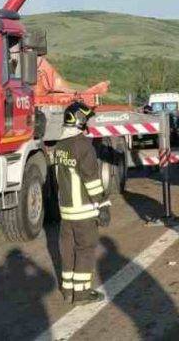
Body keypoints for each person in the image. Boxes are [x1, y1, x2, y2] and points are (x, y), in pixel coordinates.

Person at [52, 100, 111, 304]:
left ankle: (68, 289)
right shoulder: (83, 145)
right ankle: (83, 293)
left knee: (67, 248)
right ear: (80, 120)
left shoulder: (60, 145)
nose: (88, 124)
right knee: (85, 248)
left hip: (66, 211)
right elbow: (92, 180)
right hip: (84, 211)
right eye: (86, 120)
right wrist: (102, 205)